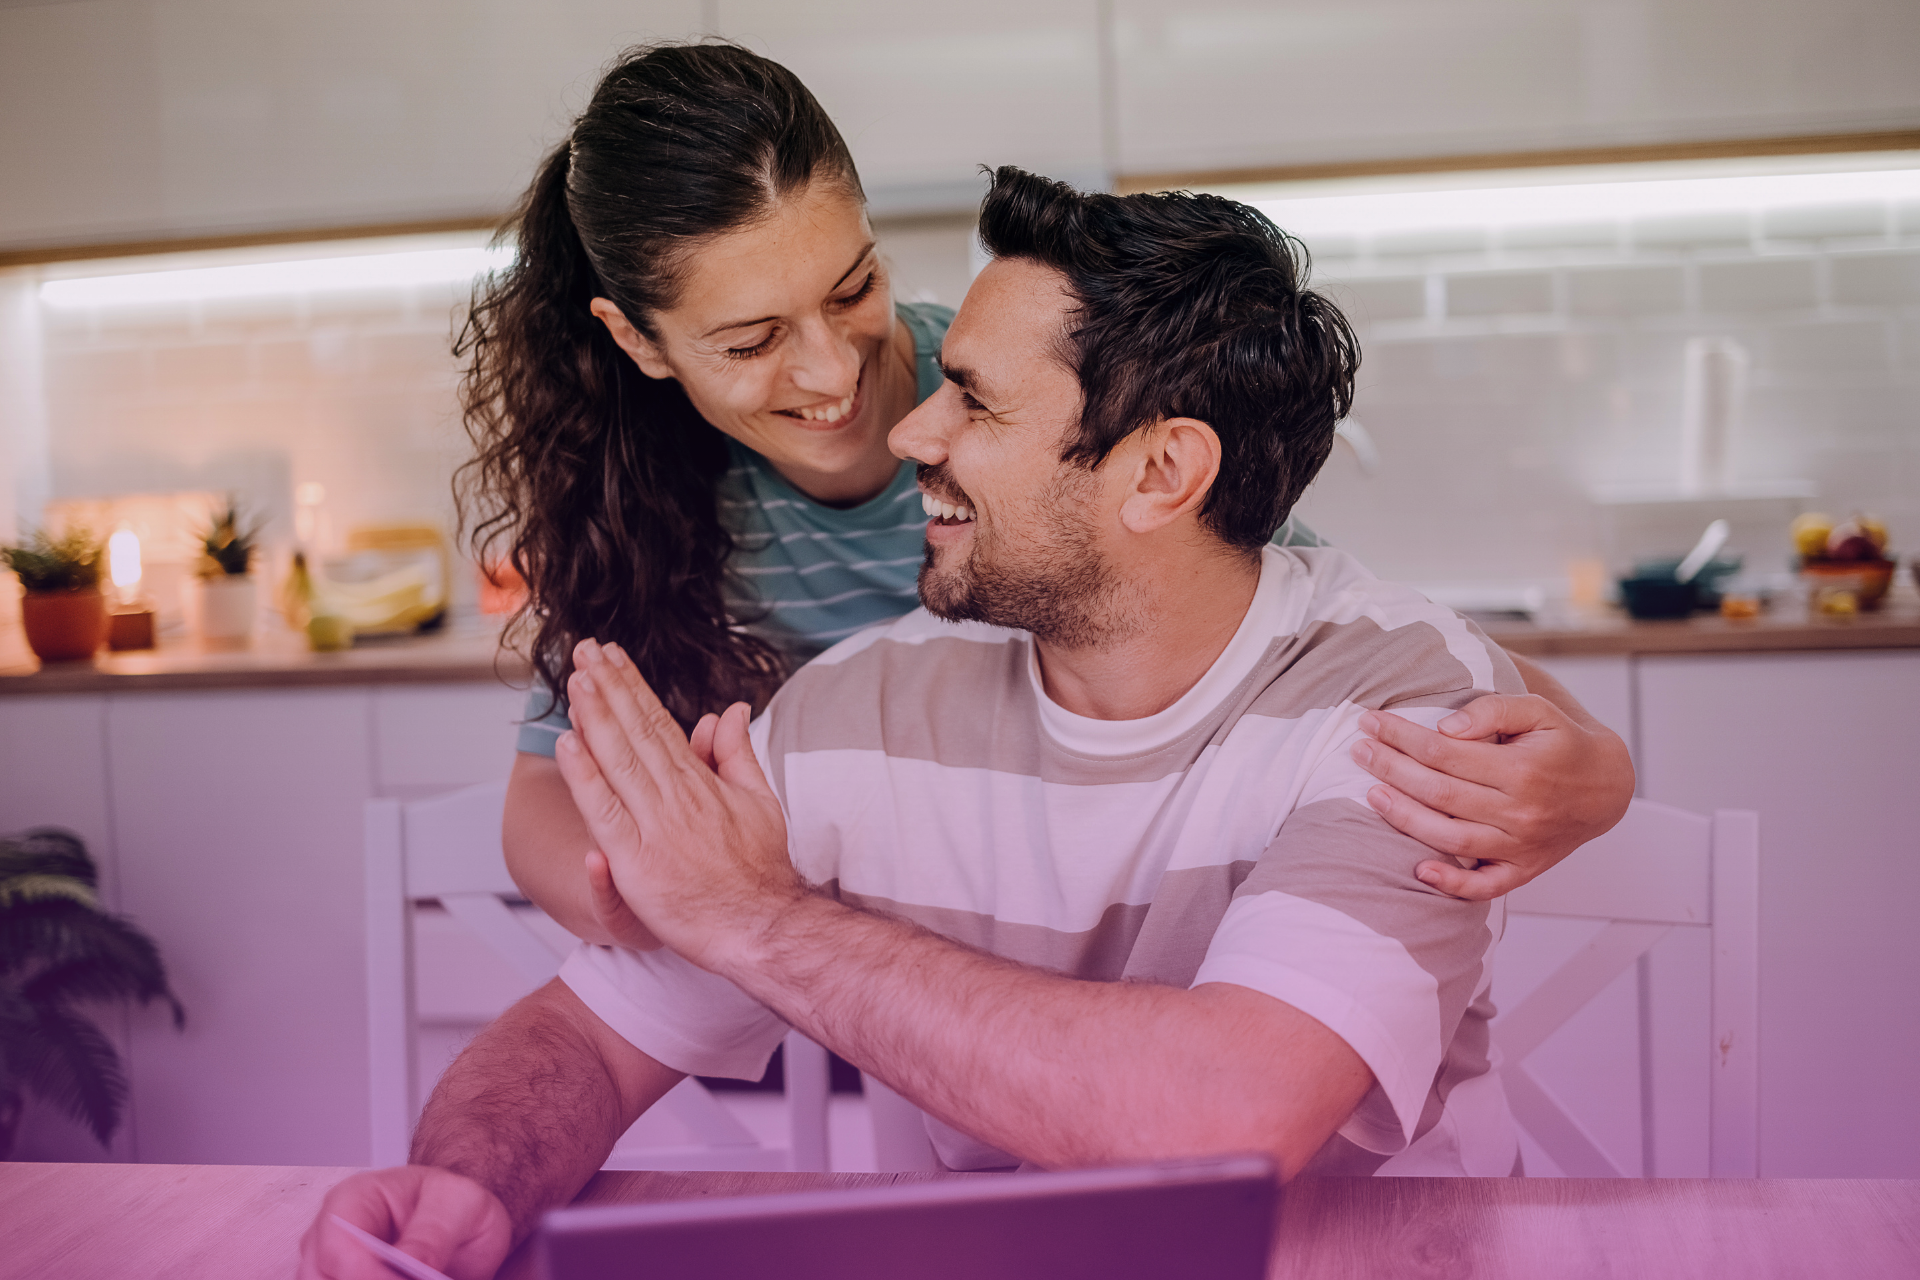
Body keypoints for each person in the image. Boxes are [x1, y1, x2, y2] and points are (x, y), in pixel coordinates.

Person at [305, 168, 1538, 1280]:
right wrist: (464, 1182)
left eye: (975, 401)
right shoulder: (861, 706)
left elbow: (1227, 1120)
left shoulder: (1404, 717)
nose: (908, 432)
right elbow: (580, 1036)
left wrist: (761, 919)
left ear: (1162, 474)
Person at [457, 41, 1634, 949]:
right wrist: (685, 903)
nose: (836, 374)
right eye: (752, 338)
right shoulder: (627, 489)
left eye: (855, 286)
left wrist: (1592, 765)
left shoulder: (1023, 399)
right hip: (799, 1007)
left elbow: (1298, 609)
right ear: (640, 340)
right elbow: (541, 805)